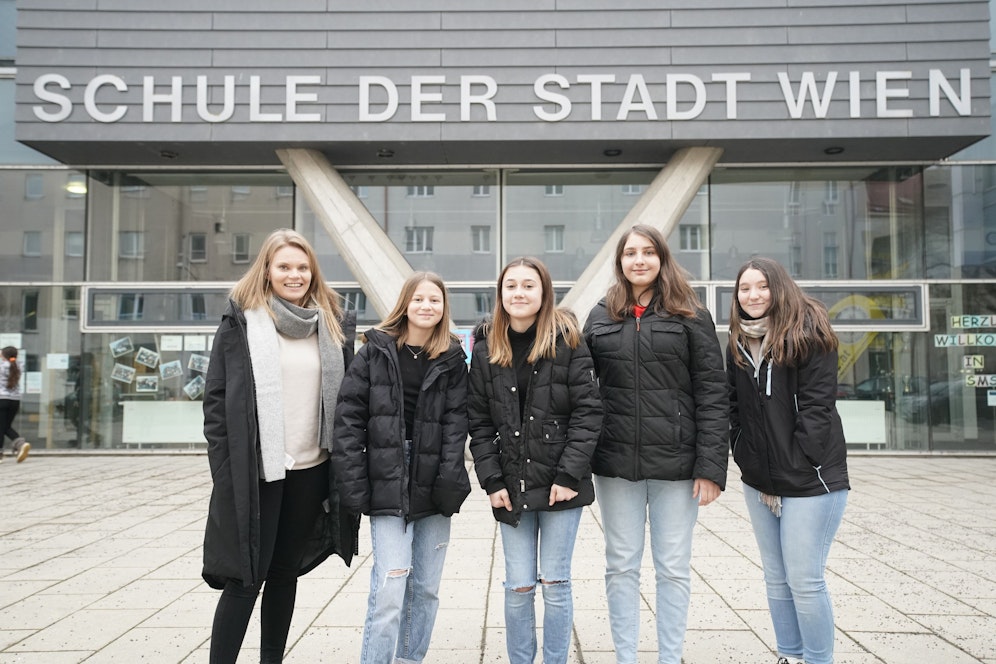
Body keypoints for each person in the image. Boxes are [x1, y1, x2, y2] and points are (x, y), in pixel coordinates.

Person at [201, 228, 359, 664]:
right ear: (267, 270)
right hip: (259, 474)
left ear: (313, 271)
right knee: (246, 578)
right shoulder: (243, 321)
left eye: (302, 267)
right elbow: (216, 403)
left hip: (313, 469)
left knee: (285, 572)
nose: (295, 275)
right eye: (284, 266)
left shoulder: (330, 324)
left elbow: (348, 399)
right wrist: (227, 470)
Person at [583, 224, 728, 664]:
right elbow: (579, 387)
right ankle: (625, 657)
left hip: (678, 466)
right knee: (621, 565)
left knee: (672, 567)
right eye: (631, 253)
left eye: (648, 252)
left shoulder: (691, 315)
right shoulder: (599, 316)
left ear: (662, 259)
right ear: (620, 262)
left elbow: (713, 393)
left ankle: (670, 657)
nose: (639, 260)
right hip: (616, 464)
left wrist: (711, 467)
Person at [468, 257, 602, 664]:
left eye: (529, 285)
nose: (519, 293)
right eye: (511, 286)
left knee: (556, 582)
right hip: (511, 485)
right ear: (501, 294)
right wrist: (491, 482)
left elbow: (588, 413)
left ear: (544, 293)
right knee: (519, 586)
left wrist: (569, 475)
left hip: (563, 484)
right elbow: (478, 419)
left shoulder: (569, 341)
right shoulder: (487, 346)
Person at [333, 271, 471, 664]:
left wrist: (449, 479)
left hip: (434, 478)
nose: (427, 306)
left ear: (444, 308)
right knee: (392, 580)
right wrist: (355, 482)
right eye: (419, 299)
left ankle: (409, 659)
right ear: (405, 304)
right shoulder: (375, 353)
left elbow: (456, 425)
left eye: (435, 300)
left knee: (425, 587)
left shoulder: (452, 358)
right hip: (386, 474)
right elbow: (347, 421)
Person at [727, 257, 850, 664]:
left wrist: (798, 462)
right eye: (745, 288)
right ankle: (789, 656)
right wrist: (743, 452)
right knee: (777, 578)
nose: (753, 295)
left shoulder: (809, 333)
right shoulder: (739, 342)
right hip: (760, 478)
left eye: (761, 286)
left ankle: (817, 660)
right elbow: (733, 407)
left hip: (811, 478)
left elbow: (818, 409)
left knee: (804, 579)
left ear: (778, 288)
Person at [0, 346, 30, 463]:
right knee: (6, 426)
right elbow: (11, 362)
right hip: (15, 400)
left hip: (1, 399)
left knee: (1, 427)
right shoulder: (18, 366)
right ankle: (21, 444)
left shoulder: (1, 366)